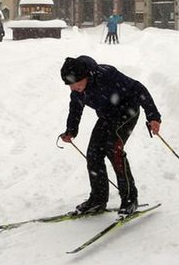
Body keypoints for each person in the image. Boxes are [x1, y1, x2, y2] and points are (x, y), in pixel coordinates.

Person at [58, 55, 162, 216]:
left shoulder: (107, 75)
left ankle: (130, 199)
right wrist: (71, 130)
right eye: (69, 85)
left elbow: (138, 88)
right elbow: (75, 108)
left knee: (113, 150)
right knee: (93, 154)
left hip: (127, 111)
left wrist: (153, 116)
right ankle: (98, 200)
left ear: (86, 76)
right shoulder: (78, 90)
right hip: (107, 116)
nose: (72, 88)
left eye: (75, 84)